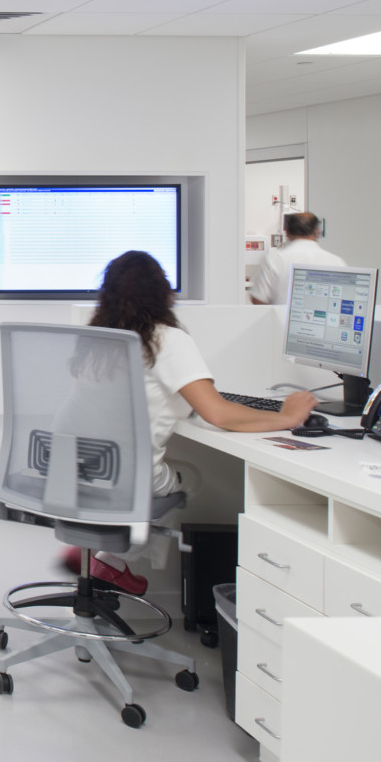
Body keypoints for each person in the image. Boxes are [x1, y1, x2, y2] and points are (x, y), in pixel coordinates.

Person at [72, 250, 317, 593]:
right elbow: (217, 414)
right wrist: (286, 416)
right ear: (164, 293)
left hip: (75, 470)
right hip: (126, 477)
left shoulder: (97, 339)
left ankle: (108, 557)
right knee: (195, 476)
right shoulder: (165, 339)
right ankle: (114, 559)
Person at [250, 212, 346, 305]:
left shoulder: (275, 259)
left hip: (282, 320)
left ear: (287, 232)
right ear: (317, 232)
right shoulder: (337, 262)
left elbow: (258, 299)